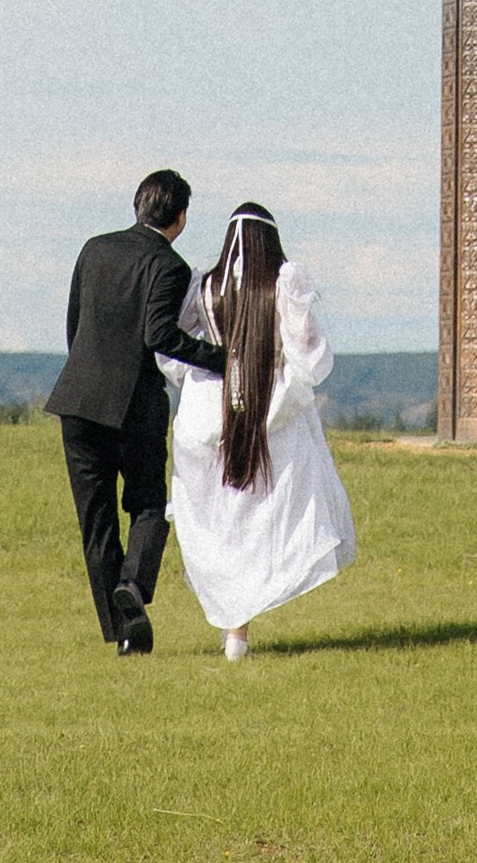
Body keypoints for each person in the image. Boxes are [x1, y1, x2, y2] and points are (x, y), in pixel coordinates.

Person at [162, 199, 358, 658]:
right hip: (274, 410)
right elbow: (309, 354)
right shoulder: (284, 281)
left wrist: (216, 368)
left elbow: (173, 349)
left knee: (222, 521)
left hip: (207, 414)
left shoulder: (205, 286)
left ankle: (235, 628)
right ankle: (240, 626)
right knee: (266, 517)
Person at [44, 166, 225, 654]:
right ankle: (134, 588)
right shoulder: (170, 267)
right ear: (181, 217)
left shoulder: (94, 248)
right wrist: (223, 360)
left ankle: (124, 635)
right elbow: (160, 337)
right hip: (134, 403)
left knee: (96, 520)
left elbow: (75, 324)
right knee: (146, 505)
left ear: (137, 206)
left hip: (76, 401)